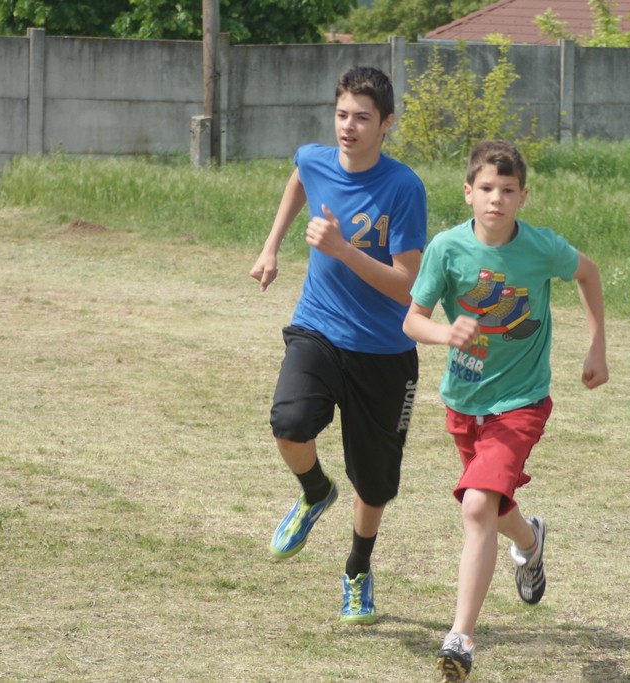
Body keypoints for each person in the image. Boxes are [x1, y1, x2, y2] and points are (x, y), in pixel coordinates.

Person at [402, 139, 608, 682]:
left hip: (521, 403)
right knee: (492, 508)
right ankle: (530, 540)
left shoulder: (541, 248)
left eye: (508, 190)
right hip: (463, 402)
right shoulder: (446, 249)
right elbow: (412, 320)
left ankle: (460, 637)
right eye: (487, 188)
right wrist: (446, 333)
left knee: (476, 507)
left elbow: (587, 273)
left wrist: (597, 347)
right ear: (468, 192)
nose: (496, 198)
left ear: (523, 197)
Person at [248, 65, 427, 625]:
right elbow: (300, 178)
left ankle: (357, 569)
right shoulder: (315, 158)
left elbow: (408, 287)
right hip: (318, 327)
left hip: (384, 351)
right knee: (289, 421)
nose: (348, 127)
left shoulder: (403, 188)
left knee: (373, 484)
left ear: (387, 123)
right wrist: (271, 245)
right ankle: (315, 491)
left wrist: (344, 250)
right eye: (342, 115)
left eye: (363, 118)